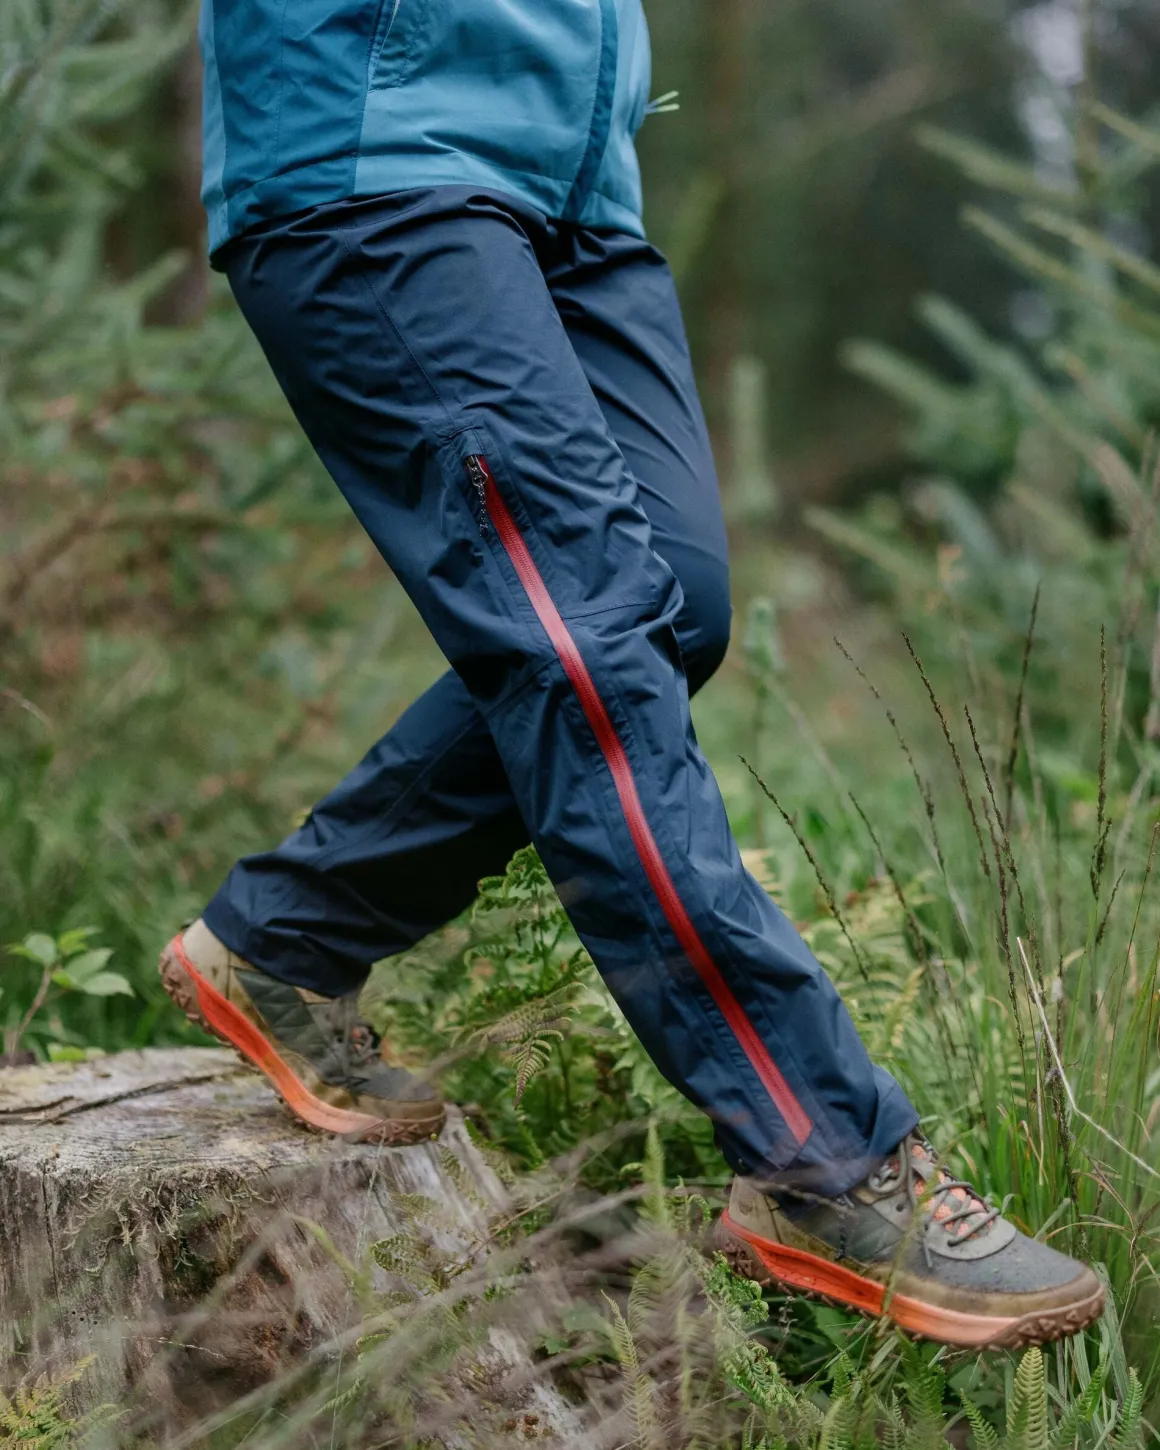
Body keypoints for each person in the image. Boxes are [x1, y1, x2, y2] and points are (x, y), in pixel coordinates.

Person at [162, 0, 1103, 1349]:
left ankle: (288, 936)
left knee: (674, 605)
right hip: (379, 141)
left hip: (571, 176)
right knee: (586, 639)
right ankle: (824, 1153)